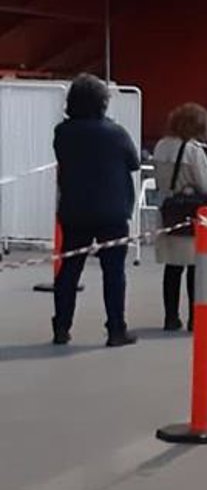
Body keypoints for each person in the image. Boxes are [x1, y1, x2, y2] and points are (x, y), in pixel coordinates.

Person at [51, 74, 140, 349]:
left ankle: (61, 326)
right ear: (102, 102)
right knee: (113, 272)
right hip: (112, 211)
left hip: (75, 209)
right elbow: (134, 162)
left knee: (69, 270)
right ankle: (116, 328)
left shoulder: (63, 133)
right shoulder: (115, 133)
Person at [153, 103, 207, 332]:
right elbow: (206, 185)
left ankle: (171, 317)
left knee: (172, 267)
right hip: (193, 214)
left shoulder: (161, 146)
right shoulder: (193, 151)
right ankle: (196, 317)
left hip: (170, 211)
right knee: (196, 267)